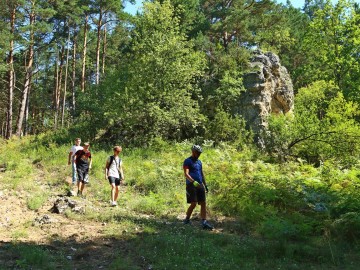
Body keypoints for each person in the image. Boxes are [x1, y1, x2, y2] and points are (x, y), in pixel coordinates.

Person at [183, 145, 213, 230]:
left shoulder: (199, 162)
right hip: (191, 185)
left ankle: (204, 222)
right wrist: (193, 181)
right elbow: (186, 174)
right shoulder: (187, 161)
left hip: (200, 184)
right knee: (194, 203)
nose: (199, 154)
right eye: (197, 153)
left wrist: (205, 185)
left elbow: (202, 174)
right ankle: (187, 219)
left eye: (200, 153)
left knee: (203, 202)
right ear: (193, 152)